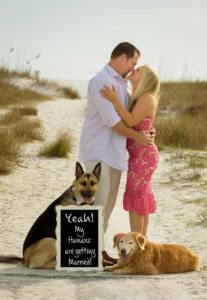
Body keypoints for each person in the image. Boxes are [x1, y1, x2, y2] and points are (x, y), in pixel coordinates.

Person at [79, 42, 154, 242]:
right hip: (99, 151)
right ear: (123, 58)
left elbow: (132, 117)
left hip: (116, 154)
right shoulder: (101, 81)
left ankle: (98, 251)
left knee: (108, 206)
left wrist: (147, 129)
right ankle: (89, 254)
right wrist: (138, 137)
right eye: (133, 63)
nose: (133, 68)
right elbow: (112, 121)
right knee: (97, 205)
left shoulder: (123, 84)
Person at [100, 64, 160, 237]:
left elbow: (132, 121)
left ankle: (136, 246)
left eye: (138, 70)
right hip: (140, 155)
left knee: (136, 199)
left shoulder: (146, 98)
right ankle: (142, 244)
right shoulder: (139, 97)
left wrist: (113, 99)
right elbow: (144, 123)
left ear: (145, 78)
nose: (134, 70)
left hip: (143, 156)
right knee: (141, 198)